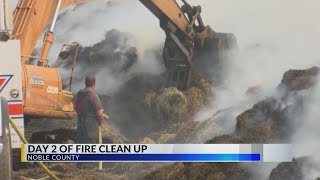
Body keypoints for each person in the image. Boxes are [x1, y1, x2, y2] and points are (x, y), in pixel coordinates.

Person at [75, 75, 104, 144]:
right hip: (90, 131)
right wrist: (100, 122)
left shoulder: (79, 94)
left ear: (85, 82)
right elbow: (100, 113)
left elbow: (76, 107)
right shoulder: (93, 96)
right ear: (94, 83)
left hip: (80, 127)